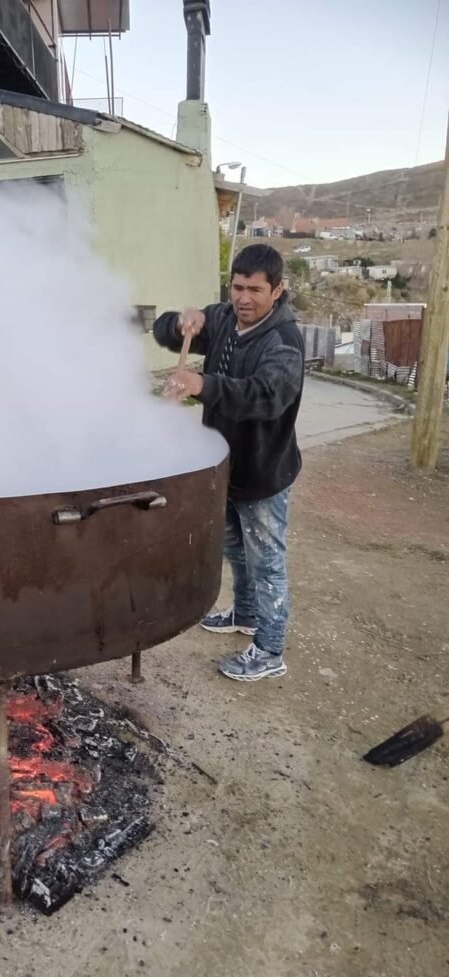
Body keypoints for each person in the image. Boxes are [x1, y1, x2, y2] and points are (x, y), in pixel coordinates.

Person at [153, 244, 304, 681]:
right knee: (234, 548)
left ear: (277, 291)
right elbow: (166, 334)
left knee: (267, 562)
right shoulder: (222, 317)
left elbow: (265, 396)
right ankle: (246, 613)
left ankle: (271, 650)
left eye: (255, 290)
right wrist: (180, 320)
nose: (244, 298)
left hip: (262, 471)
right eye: (237, 287)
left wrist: (203, 383)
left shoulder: (283, 341)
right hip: (221, 465)